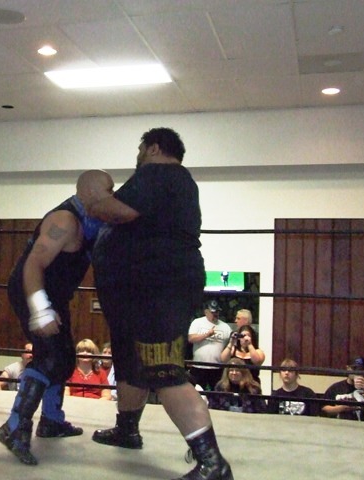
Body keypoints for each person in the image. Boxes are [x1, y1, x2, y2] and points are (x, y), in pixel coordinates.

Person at [85, 128, 232, 479]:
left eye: (140, 148)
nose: (137, 155)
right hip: (142, 290)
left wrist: (91, 196)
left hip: (156, 288)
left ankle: (212, 463)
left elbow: (117, 212)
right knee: (129, 359)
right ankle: (127, 429)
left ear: (153, 148)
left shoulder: (158, 173)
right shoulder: (172, 181)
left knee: (162, 369)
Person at [0, 170, 114, 466]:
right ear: (89, 192)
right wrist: (40, 309)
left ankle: (51, 421)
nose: (112, 195)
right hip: (31, 290)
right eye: (108, 190)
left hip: (55, 295)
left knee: (64, 358)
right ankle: (14, 427)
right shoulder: (65, 221)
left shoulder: (91, 220)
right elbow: (33, 264)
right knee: (49, 357)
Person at [321, 356, 364, 423]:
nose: (357, 372)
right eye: (354, 368)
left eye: (361, 369)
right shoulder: (336, 388)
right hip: (342, 426)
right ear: (347, 368)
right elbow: (323, 409)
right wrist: (340, 408)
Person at [188, 300, 232, 391]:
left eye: (217, 311)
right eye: (213, 312)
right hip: (199, 366)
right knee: (197, 392)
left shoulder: (226, 327)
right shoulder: (197, 322)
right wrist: (207, 335)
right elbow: (191, 339)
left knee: (217, 392)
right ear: (206, 312)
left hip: (217, 368)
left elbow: (230, 345)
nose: (215, 314)